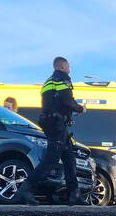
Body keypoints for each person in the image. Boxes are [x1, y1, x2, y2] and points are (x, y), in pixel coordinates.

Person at [17, 56, 86, 205]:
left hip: (53, 123)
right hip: (57, 125)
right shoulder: (62, 79)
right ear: (62, 67)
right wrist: (80, 108)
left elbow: (54, 101)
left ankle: (74, 194)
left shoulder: (49, 81)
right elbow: (67, 99)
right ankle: (26, 189)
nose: (70, 69)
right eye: (68, 66)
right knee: (51, 159)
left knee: (69, 159)